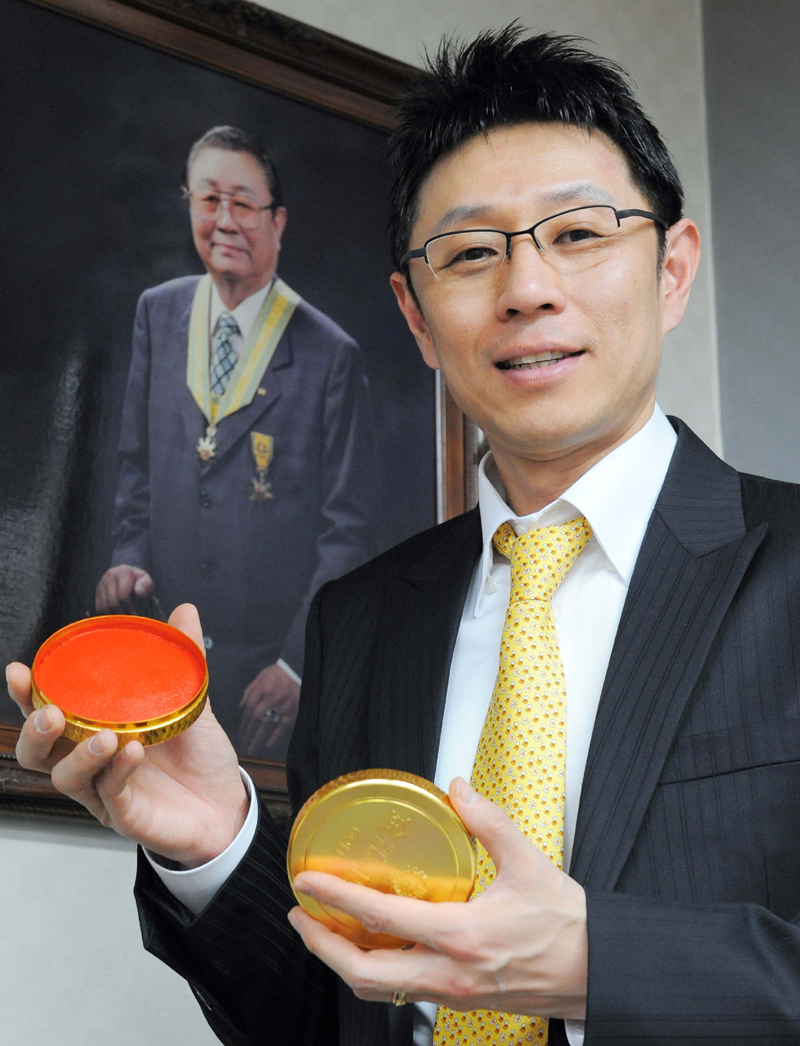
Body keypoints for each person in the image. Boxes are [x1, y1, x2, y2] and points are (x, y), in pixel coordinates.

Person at [8, 26, 800, 1046]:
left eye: (577, 233)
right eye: (469, 253)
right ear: (416, 317)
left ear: (672, 269)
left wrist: (597, 961)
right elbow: (333, 1014)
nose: (526, 288)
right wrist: (216, 842)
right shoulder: (360, 619)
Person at [94, 125, 376, 759]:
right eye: (208, 199)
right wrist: (128, 558)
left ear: (278, 221)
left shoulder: (331, 355)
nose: (224, 221)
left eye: (243, 203)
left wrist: (298, 666)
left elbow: (347, 535)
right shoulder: (157, 313)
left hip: (263, 678)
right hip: (160, 655)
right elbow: (136, 468)